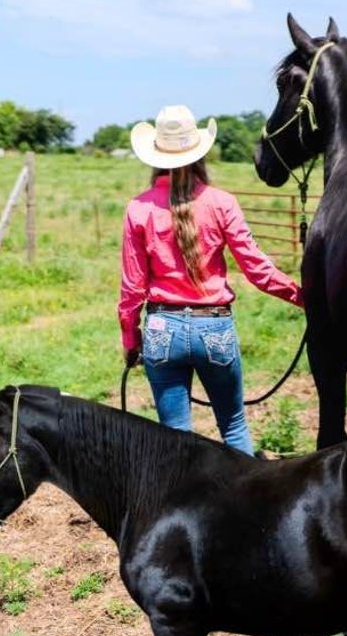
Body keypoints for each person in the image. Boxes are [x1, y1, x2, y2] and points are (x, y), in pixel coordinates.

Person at [119, 104, 303, 454]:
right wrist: (304, 297)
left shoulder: (139, 208)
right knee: (233, 426)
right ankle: (247, 505)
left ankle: (185, 506)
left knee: (175, 439)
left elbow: (132, 287)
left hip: (162, 331)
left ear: (155, 155)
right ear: (200, 153)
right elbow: (258, 270)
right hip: (213, 328)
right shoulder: (222, 203)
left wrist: (131, 337)